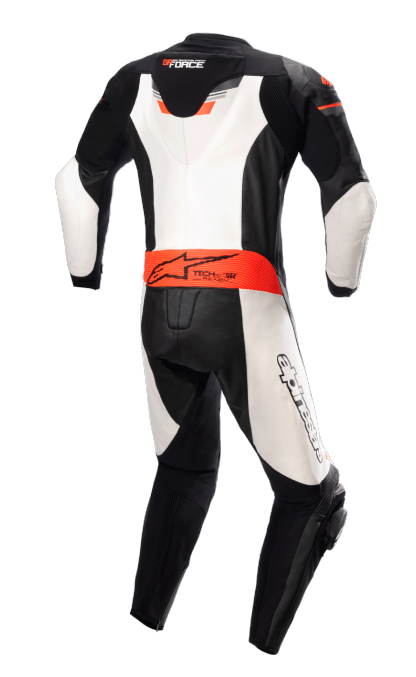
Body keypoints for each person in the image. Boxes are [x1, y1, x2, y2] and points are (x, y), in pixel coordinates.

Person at [55, 32, 376, 654]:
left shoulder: (131, 81)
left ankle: (140, 630)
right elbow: (354, 199)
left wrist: (84, 271)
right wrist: (342, 283)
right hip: (244, 307)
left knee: (184, 470)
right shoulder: (291, 81)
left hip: (157, 305)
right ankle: (259, 652)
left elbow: (76, 180)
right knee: (316, 498)